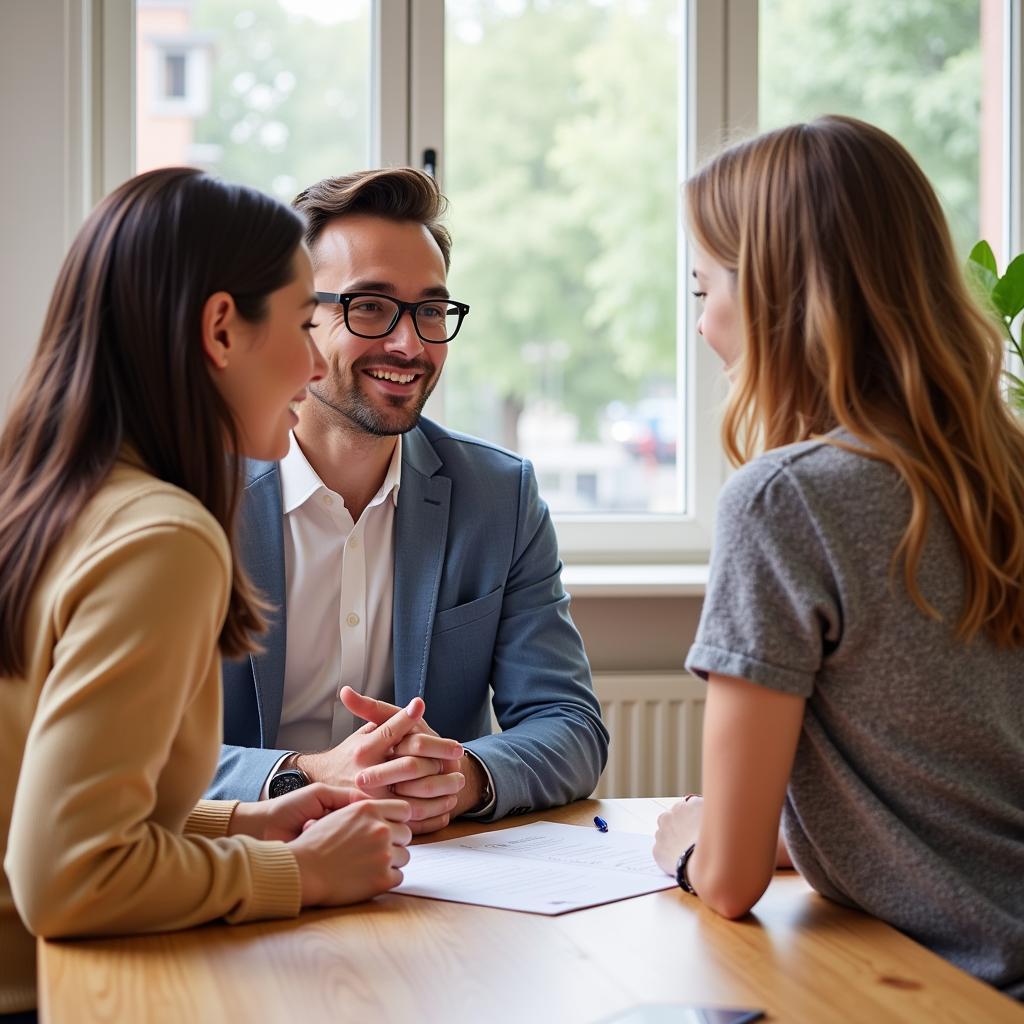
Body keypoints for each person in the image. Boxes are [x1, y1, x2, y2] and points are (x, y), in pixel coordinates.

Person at [0, 168, 417, 1021]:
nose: (312, 362)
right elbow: (67, 875)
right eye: (304, 323)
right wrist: (301, 873)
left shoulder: (53, 495)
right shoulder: (165, 537)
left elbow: (47, 803)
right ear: (222, 330)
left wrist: (240, 826)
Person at [652, 115, 1024, 1000]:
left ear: (774, 292)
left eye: (703, 290)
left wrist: (691, 847)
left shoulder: (787, 501)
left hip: (950, 988)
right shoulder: (1003, 474)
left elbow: (732, 883)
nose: (702, 325)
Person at [207, 167, 608, 828]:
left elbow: (568, 725)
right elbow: (132, 754)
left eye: (429, 309)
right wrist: (299, 777)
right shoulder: (198, 491)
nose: (411, 344)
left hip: (425, 875)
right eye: (369, 306)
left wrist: (463, 776)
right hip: (244, 857)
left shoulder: (499, 496)